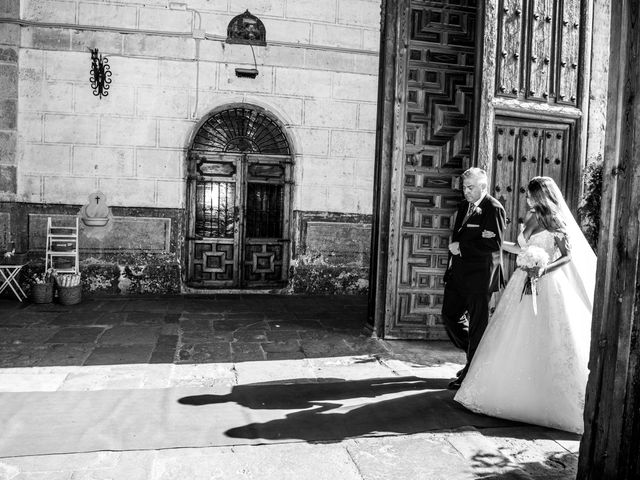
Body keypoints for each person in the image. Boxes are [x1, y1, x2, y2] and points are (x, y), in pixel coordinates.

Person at [454, 176, 596, 434]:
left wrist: (543, 268)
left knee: (548, 336)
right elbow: (520, 248)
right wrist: (494, 245)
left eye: (530, 195)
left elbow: (566, 257)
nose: (527, 199)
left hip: (548, 285)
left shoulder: (555, 220)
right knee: (513, 335)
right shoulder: (530, 217)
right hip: (522, 282)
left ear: (541, 196)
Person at [442, 167, 506, 390]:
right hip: (459, 274)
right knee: (449, 316)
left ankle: (471, 372)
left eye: (470, 188)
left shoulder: (493, 208)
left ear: (483, 187)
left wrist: (462, 247)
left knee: (478, 326)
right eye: (464, 188)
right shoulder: (463, 206)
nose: (465, 192)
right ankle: (476, 354)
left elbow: (493, 244)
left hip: (480, 277)